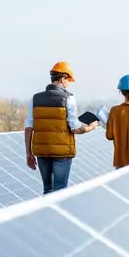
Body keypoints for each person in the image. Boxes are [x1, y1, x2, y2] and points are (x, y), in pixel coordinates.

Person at [24, 61, 98, 194]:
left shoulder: (35, 99)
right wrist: (90, 127)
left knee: (47, 189)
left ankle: (46, 215)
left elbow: (29, 127)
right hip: (62, 153)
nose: (69, 83)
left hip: (42, 152)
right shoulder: (68, 98)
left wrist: (29, 153)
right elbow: (75, 128)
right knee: (60, 191)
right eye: (69, 80)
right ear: (63, 78)